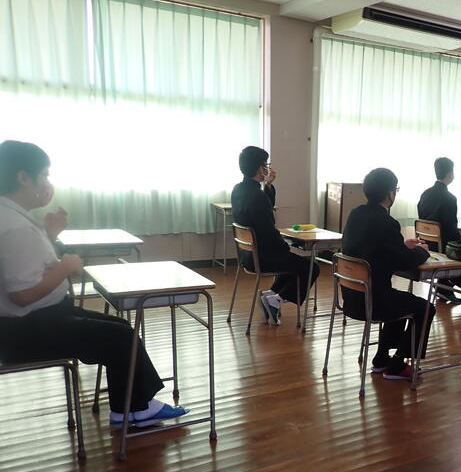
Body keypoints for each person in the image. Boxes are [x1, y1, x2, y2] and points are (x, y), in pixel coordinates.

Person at [0, 140, 187, 427]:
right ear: (23, 177)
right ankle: (134, 410)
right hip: (28, 330)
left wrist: (49, 235)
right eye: (45, 175)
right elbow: (22, 294)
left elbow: (29, 267)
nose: (48, 182)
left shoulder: (13, 217)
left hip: (41, 319)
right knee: (120, 337)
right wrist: (65, 267)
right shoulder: (13, 226)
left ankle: (133, 406)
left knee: (121, 327)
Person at [342, 168, 435, 381]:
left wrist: (402, 245)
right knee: (425, 308)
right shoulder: (387, 222)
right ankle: (397, 364)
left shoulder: (356, 214)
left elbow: (373, 248)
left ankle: (382, 358)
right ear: (390, 193)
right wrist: (422, 251)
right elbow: (401, 261)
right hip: (374, 301)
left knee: (399, 300)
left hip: (352, 297)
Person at [231, 146, 319, 325]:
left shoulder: (238, 190)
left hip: (248, 256)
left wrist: (268, 185)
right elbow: (268, 231)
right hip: (263, 257)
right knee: (311, 267)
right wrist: (285, 246)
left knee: (293, 263)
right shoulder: (257, 196)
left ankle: (271, 297)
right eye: (266, 164)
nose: (267, 167)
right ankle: (276, 299)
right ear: (260, 168)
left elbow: (263, 211)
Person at [417, 157, 461, 304]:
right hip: (443, 246)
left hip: (427, 243)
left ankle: (444, 285)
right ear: (449, 174)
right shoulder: (449, 198)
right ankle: (446, 286)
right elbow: (451, 230)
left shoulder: (425, 194)